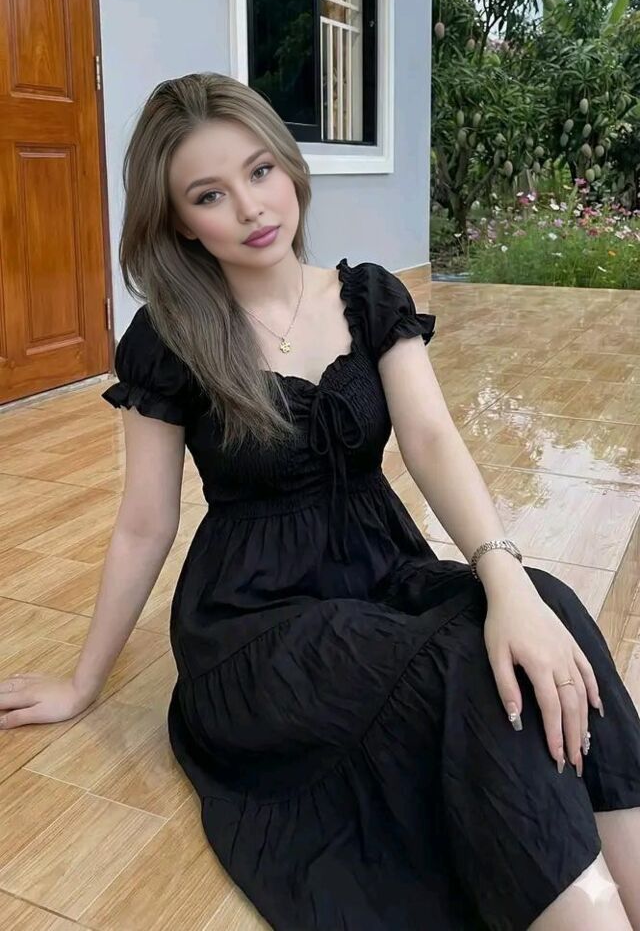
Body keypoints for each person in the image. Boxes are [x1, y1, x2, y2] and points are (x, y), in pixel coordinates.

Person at [1, 73, 640, 931]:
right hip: (255, 620)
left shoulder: (368, 296)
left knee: (547, 609)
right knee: (460, 669)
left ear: (288, 165)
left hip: (380, 573)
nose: (251, 208)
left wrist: (507, 580)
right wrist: (85, 681)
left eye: (260, 170)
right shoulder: (169, 337)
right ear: (180, 221)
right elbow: (145, 524)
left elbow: (432, 440)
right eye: (209, 195)